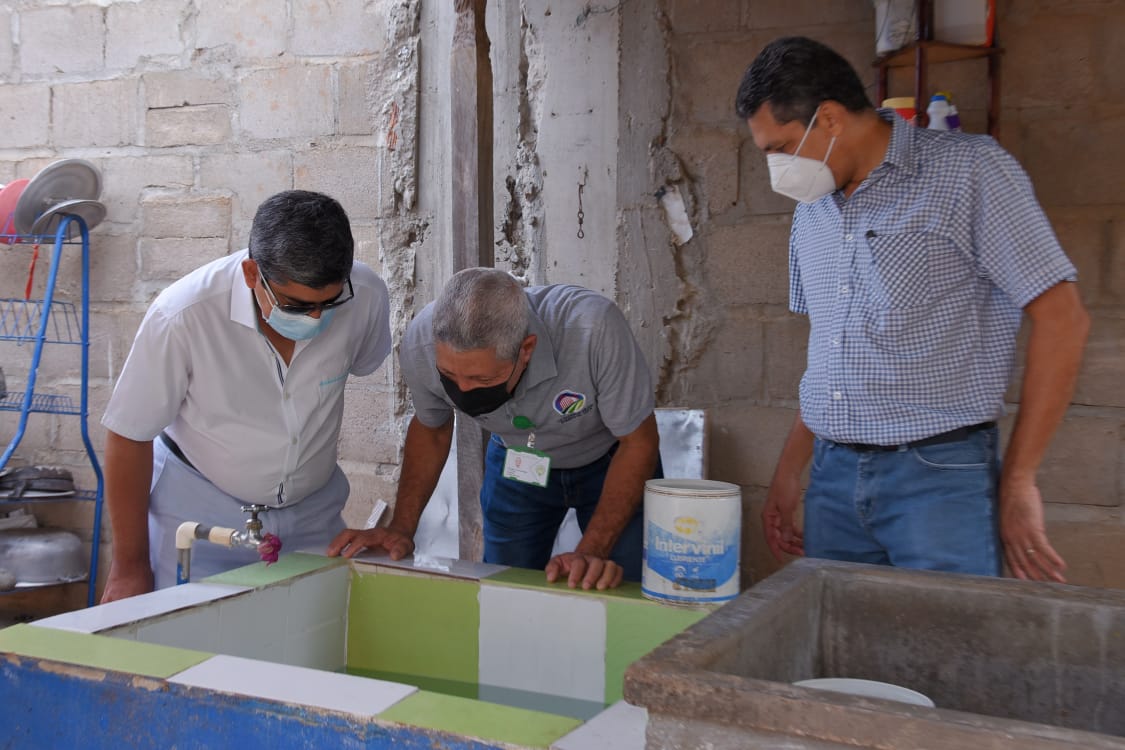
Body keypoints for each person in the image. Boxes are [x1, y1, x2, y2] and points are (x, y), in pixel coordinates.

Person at [734, 37, 1089, 582]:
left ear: (829, 119)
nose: (776, 168)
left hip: (938, 478)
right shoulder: (812, 212)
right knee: (840, 634)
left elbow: (1063, 319)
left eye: (778, 148)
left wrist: (1019, 480)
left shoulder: (968, 172)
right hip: (833, 476)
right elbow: (831, 353)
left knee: (942, 632)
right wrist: (789, 471)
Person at [100, 190, 392, 601]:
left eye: (329, 303)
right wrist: (129, 566)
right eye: (296, 305)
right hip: (198, 521)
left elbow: (361, 359)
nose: (315, 317)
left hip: (313, 517)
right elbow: (129, 435)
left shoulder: (366, 295)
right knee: (189, 633)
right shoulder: (183, 316)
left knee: (313, 630)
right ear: (252, 273)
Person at [328, 267, 660, 590]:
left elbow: (638, 443)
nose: (463, 389)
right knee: (504, 586)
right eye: (449, 375)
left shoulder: (593, 329)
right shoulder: (420, 344)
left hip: (610, 462)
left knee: (619, 581)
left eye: (482, 379)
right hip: (519, 461)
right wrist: (401, 528)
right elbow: (432, 429)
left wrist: (591, 552)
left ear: (526, 350)